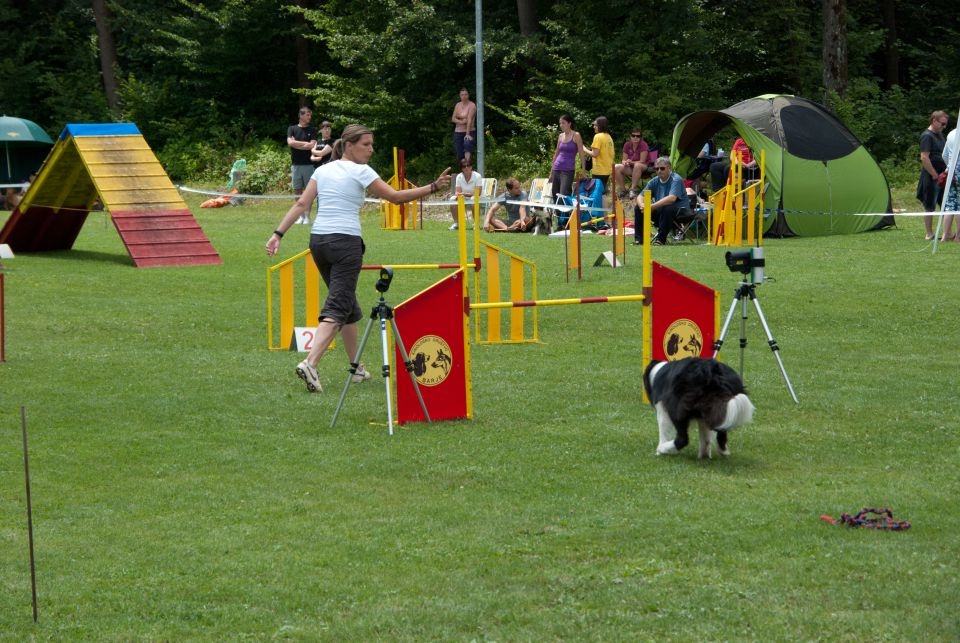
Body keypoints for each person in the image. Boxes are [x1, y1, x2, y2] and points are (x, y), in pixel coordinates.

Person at [266, 124, 452, 393]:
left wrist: (278, 234)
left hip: (319, 242)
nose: (371, 149)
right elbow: (395, 198)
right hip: (345, 243)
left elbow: (300, 204)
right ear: (349, 145)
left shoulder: (322, 170)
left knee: (348, 304)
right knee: (339, 305)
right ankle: (311, 362)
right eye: (366, 144)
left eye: (372, 144)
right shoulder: (361, 171)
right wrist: (432, 187)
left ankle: (356, 369)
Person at [634, 157, 689, 246]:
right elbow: (640, 196)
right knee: (638, 208)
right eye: (656, 169)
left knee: (668, 207)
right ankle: (639, 239)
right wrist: (642, 206)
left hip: (681, 214)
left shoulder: (676, 179)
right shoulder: (654, 181)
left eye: (662, 168)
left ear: (669, 168)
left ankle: (660, 240)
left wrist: (651, 206)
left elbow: (672, 198)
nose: (659, 171)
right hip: (662, 213)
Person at [917, 110, 948, 240]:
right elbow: (924, 158)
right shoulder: (927, 136)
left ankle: (948, 233)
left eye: (945, 124)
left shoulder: (940, 135)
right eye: (942, 124)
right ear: (934, 121)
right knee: (929, 205)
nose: (944, 126)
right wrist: (935, 175)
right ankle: (929, 233)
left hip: (942, 175)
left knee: (945, 205)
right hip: (931, 177)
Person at [287, 106, 318, 224]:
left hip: (309, 165)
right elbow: (290, 143)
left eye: (310, 115)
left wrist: (297, 143)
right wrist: (304, 143)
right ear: (301, 116)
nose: (309, 117)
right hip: (295, 165)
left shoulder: (313, 130)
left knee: (308, 191)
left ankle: (307, 216)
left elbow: (312, 145)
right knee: (297, 191)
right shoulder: (292, 129)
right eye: (307, 115)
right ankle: (299, 216)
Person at [548, 114, 586, 200]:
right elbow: (556, 153)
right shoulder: (560, 136)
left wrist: (583, 170)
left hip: (568, 170)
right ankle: (556, 213)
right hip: (556, 168)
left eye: (563, 123)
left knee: (564, 194)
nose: (561, 125)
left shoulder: (576, 135)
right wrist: (551, 172)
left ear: (569, 123)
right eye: (560, 123)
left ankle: (566, 213)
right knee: (555, 194)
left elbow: (581, 154)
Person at [448, 158, 483, 230]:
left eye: (468, 165)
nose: (466, 167)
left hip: (479, 199)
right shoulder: (459, 176)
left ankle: (476, 224)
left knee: (474, 198)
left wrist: (464, 194)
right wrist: (463, 194)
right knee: (452, 199)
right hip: (464, 199)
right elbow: (457, 193)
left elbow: (477, 193)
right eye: (464, 166)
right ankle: (457, 224)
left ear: (471, 167)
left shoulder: (477, 176)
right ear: (461, 168)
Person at [614, 127, 649, 198]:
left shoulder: (643, 144)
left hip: (642, 166)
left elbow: (642, 160)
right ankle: (623, 190)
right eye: (633, 135)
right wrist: (625, 162)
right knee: (616, 166)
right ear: (630, 136)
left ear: (640, 137)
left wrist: (631, 162)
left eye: (638, 136)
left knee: (637, 165)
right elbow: (623, 160)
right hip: (631, 167)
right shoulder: (627, 145)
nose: (635, 137)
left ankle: (632, 190)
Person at [582, 116, 614, 191]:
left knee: (597, 194)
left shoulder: (598, 136)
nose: (594, 127)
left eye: (596, 125)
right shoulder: (609, 137)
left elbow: (594, 154)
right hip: (607, 169)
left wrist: (584, 149)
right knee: (602, 193)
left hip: (599, 170)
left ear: (601, 126)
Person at [939, 127, 959, 242]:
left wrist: (950, 167)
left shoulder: (951, 133)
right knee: (959, 205)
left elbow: (944, 155)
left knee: (950, 204)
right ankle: (958, 236)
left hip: (950, 173)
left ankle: (945, 235)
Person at [451, 87, 477, 164]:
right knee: (459, 153)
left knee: (467, 144)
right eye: (462, 95)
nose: (464, 96)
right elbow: (453, 118)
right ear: (460, 96)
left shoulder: (472, 105)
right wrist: (462, 121)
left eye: (466, 94)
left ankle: (467, 164)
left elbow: (469, 120)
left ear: (468, 95)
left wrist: (467, 134)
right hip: (458, 131)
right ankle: (463, 169)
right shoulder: (458, 105)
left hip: (469, 130)